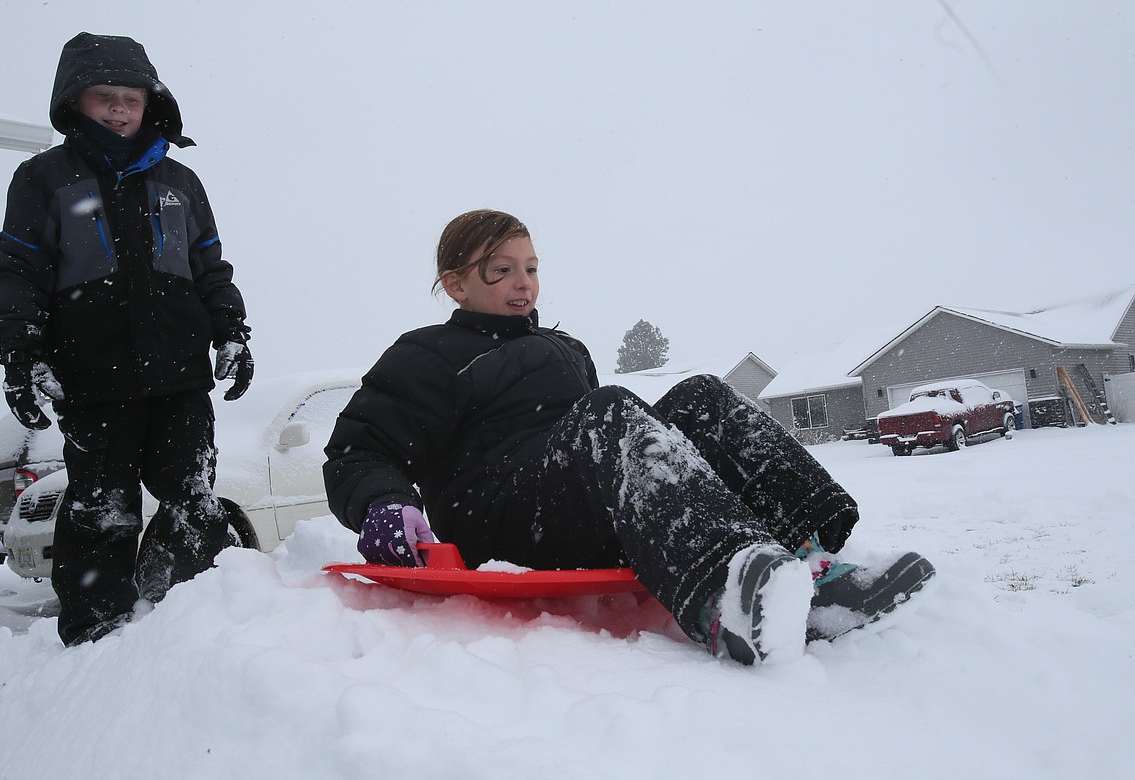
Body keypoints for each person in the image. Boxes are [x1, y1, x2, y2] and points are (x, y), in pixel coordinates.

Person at [324, 209, 933, 665]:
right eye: (501, 271)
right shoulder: (428, 353)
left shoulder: (562, 348)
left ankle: (808, 557)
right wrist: (383, 504)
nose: (523, 284)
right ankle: (727, 600)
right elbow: (359, 447)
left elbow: (612, 440)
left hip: (575, 499)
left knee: (700, 396)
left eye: (531, 269)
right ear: (457, 285)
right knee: (611, 410)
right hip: (500, 513)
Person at [0, 32, 254, 647]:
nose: (117, 110)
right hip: (92, 380)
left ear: (148, 103)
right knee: (102, 508)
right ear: (74, 102)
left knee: (192, 497)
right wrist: (20, 352)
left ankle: (198, 622)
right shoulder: (43, 179)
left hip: (181, 379)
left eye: (129, 98)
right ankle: (97, 639)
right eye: (103, 97)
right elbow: (19, 273)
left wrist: (231, 332)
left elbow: (211, 269)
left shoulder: (180, 183)